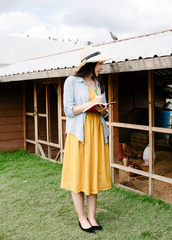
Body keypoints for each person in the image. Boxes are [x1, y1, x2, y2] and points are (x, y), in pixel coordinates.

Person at [61, 46, 112, 233]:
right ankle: (82, 218)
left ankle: (92, 216)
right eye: (100, 64)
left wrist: (102, 109)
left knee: (93, 173)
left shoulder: (98, 84)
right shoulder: (71, 82)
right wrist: (89, 104)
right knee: (79, 174)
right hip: (79, 135)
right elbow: (69, 111)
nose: (102, 67)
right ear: (91, 64)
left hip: (97, 133)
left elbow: (103, 113)